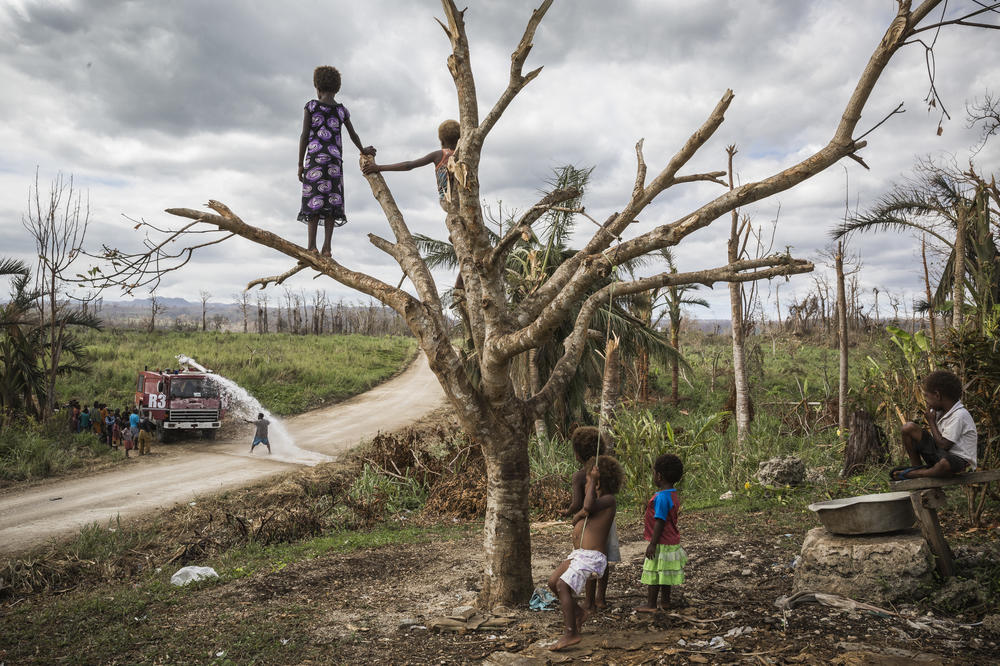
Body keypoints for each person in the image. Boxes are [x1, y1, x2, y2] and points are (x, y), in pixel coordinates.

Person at [297, 65, 375, 257]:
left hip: (315, 160)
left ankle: (311, 247)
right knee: (331, 203)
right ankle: (327, 248)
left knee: (314, 203)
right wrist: (363, 149)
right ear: (337, 88)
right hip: (334, 163)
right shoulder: (341, 110)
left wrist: (300, 164)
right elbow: (353, 134)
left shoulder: (312, 106)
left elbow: (304, 136)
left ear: (317, 87)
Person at [547, 455, 623, 651]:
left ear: (598, 483)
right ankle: (579, 613)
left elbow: (587, 507)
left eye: (588, 481)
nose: (586, 485)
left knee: (563, 585)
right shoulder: (596, 503)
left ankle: (571, 632)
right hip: (579, 553)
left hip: (592, 557)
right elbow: (579, 517)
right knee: (552, 582)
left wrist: (592, 485)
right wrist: (579, 514)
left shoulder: (608, 500)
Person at [564, 426, 619, 610]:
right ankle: (600, 599)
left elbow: (579, 504)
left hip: (590, 524)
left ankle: (589, 601)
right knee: (602, 560)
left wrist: (571, 512)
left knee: (589, 560)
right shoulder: (603, 467)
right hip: (606, 522)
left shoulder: (580, 475)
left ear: (577, 453)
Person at [892, 370, 978, 480]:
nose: (926, 403)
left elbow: (944, 445)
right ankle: (917, 468)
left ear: (937, 395)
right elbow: (939, 447)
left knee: (944, 464)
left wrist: (931, 422)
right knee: (908, 428)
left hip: (958, 462)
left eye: (927, 397)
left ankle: (916, 474)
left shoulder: (959, 415)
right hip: (941, 455)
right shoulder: (939, 412)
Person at [362, 119, 460, 209]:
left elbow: (409, 165)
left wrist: (378, 168)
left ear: (442, 141)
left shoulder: (439, 155)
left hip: (447, 201)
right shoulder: (464, 154)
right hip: (464, 199)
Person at [636, 453, 687, 613]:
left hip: (661, 543)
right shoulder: (672, 493)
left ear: (659, 476)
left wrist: (652, 544)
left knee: (654, 573)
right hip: (671, 541)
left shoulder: (661, 497)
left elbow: (660, 521)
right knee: (665, 574)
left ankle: (651, 604)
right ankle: (665, 601)